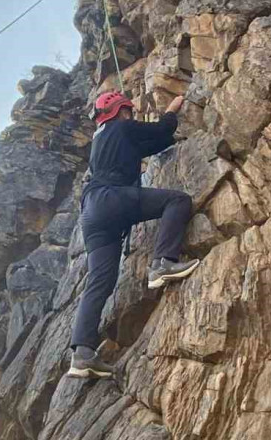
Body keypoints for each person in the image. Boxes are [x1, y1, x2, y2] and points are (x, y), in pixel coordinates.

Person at [66, 91, 200, 379]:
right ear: (121, 111)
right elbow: (163, 129)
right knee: (177, 200)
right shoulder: (122, 127)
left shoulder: (101, 140)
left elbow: (155, 143)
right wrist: (172, 111)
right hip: (111, 199)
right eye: (128, 110)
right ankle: (163, 262)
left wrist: (170, 139)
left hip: (91, 213)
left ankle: (82, 353)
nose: (131, 114)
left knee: (100, 281)